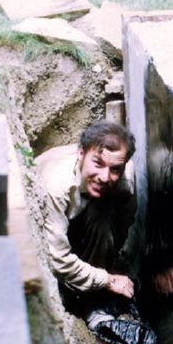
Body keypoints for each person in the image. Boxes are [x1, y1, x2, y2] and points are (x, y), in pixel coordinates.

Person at [36, 120, 138, 330]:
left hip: (81, 218)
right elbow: (58, 260)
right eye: (98, 164)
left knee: (104, 212)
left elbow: (122, 226)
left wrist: (105, 261)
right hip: (48, 225)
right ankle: (87, 302)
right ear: (81, 154)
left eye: (115, 169)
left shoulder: (125, 180)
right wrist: (107, 281)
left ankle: (91, 284)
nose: (105, 177)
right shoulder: (55, 187)